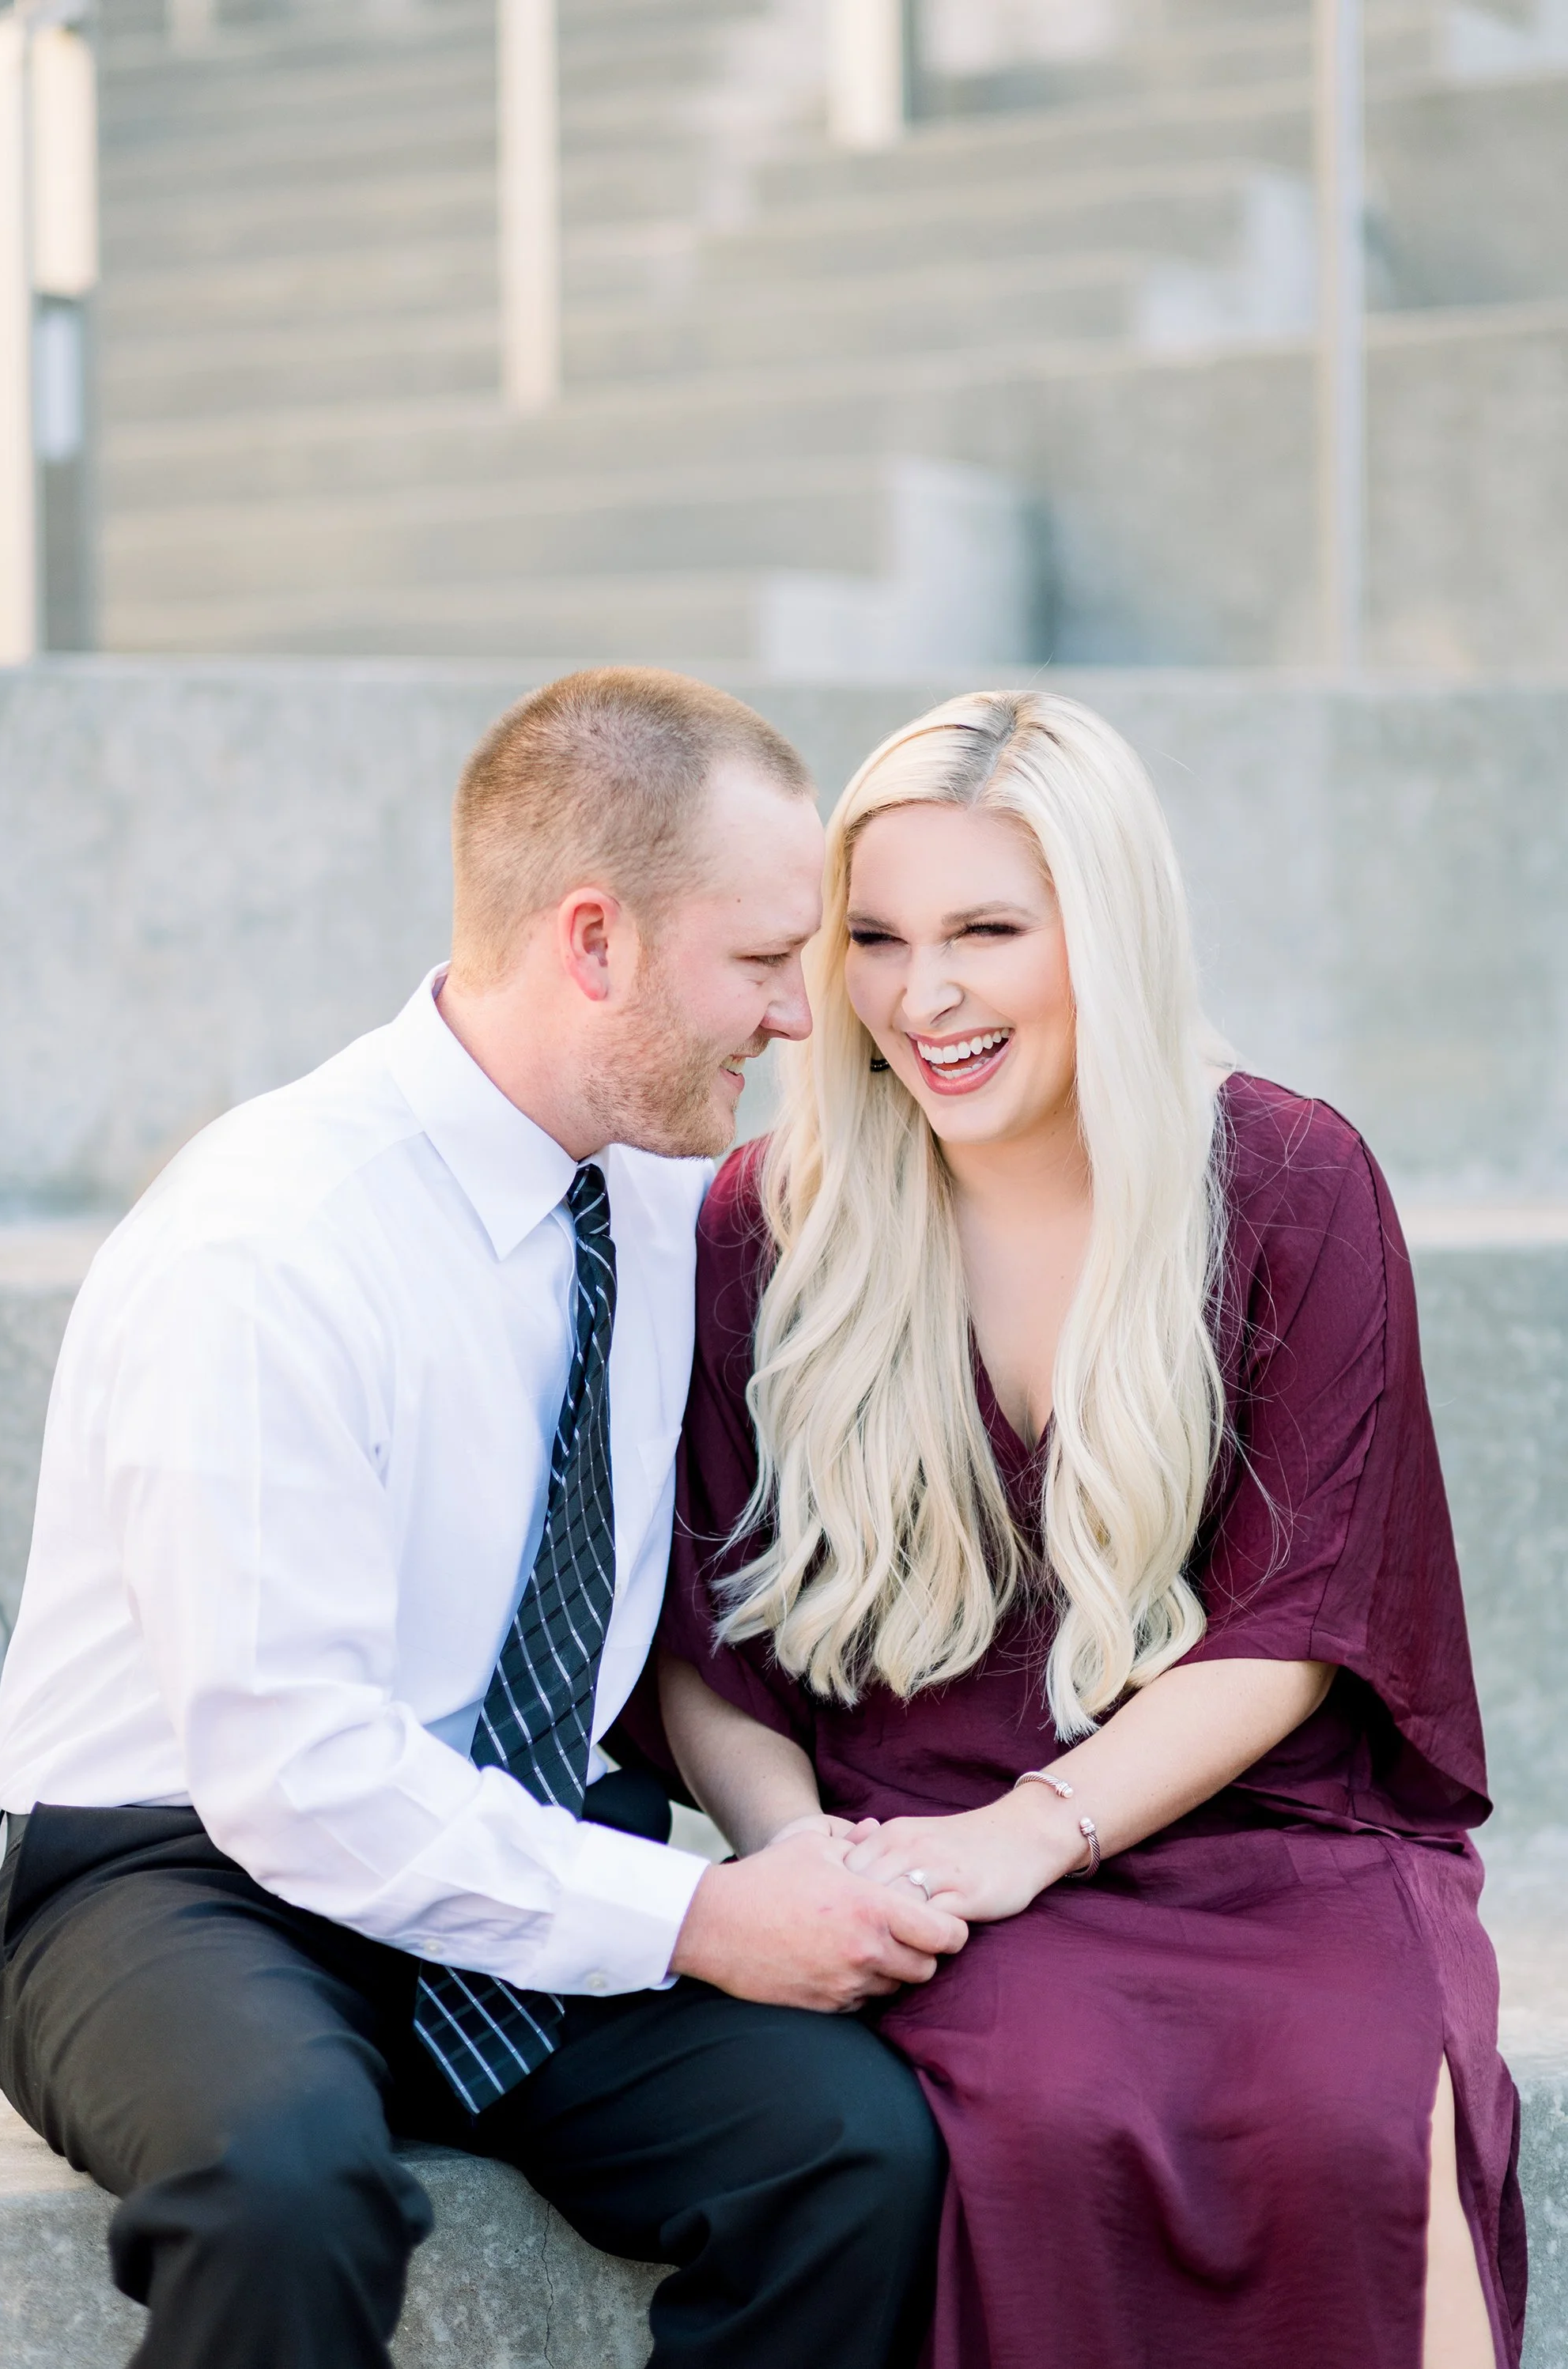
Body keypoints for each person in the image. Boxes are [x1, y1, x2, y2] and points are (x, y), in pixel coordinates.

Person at [0, 667, 965, 2369]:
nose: (798, 1021)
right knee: (283, 2185)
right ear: (593, 942)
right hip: (184, 1871)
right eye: (758, 965)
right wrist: (700, 1913)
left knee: (851, 2150)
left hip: (520, 1822)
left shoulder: (661, 1187)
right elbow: (298, 1777)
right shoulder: (270, 1245)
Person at [659, 689, 1526, 2369]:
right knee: (1044, 2115)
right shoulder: (775, 1225)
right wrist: (797, 1854)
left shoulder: (1284, 1181)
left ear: (1105, 933)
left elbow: (1302, 1616)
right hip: (915, 1848)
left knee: (1350, 2114)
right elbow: (706, 1635)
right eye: (878, 938)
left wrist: (1034, 1829)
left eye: (988, 928)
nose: (927, 998)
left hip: (1268, 1834)